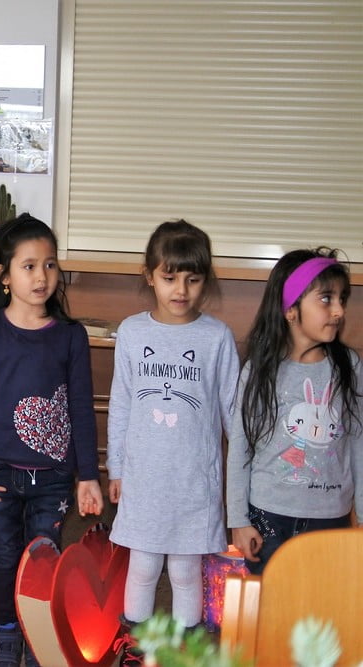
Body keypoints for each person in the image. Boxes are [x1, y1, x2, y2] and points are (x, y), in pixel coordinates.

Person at [0, 213, 103, 667]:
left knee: (43, 558)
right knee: (1, 556)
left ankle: (39, 634)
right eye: (29, 266)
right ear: (4, 275)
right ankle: (4, 632)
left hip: (54, 475)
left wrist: (88, 475)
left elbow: (80, 407)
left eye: (50, 265)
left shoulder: (70, 336)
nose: (42, 276)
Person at [106, 220, 240, 632]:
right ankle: (138, 642)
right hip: (144, 479)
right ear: (149, 276)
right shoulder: (132, 332)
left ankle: (185, 647)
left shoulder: (217, 337)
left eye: (192, 279)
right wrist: (116, 469)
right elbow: (121, 405)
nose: (181, 290)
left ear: (205, 280)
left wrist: (241, 484)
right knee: (143, 565)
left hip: (193, 483)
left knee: (185, 570)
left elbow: (233, 414)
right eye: (169, 278)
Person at [226, 247, 361, 575]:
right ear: (290, 309)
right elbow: (241, 446)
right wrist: (238, 520)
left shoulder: (350, 366)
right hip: (268, 516)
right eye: (326, 299)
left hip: (331, 517)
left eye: (342, 299)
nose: (339, 310)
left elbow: (358, 443)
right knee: (272, 598)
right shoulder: (259, 370)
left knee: (324, 599)